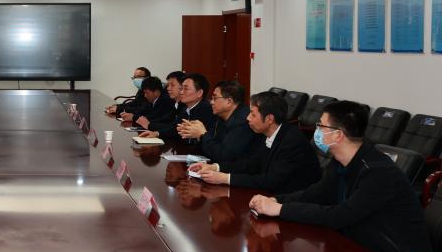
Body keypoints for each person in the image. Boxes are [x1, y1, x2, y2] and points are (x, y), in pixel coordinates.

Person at [249, 100, 432, 252]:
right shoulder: (340, 161)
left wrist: (280, 209)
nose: (316, 130)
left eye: (321, 126)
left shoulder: (378, 172)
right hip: (359, 248)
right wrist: (275, 199)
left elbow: (339, 216)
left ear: (337, 135)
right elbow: (316, 194)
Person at [190, 91, 321, 194]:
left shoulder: (292, 141)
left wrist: (225, 178)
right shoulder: (267, 133)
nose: (248, 118)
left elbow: (271, 181)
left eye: (253, 114)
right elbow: (253, 163)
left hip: (293, 199)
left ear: (269, 119)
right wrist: (216, 167)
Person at [178, 80, 260, 163]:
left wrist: (203, 134)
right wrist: (196, 134)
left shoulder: (243, 121)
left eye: (215, 98)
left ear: (229, 101)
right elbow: (213, 146)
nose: (211, 102)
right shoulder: (220, 117)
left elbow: (224, 156)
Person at [138, 72, 214, 143]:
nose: (181, 92)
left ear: (199, 93)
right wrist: (157, 133)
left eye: (186, 89)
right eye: (181, 88)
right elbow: (174, 128)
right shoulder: (186, 109)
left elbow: (197, 140)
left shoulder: (205, 109)